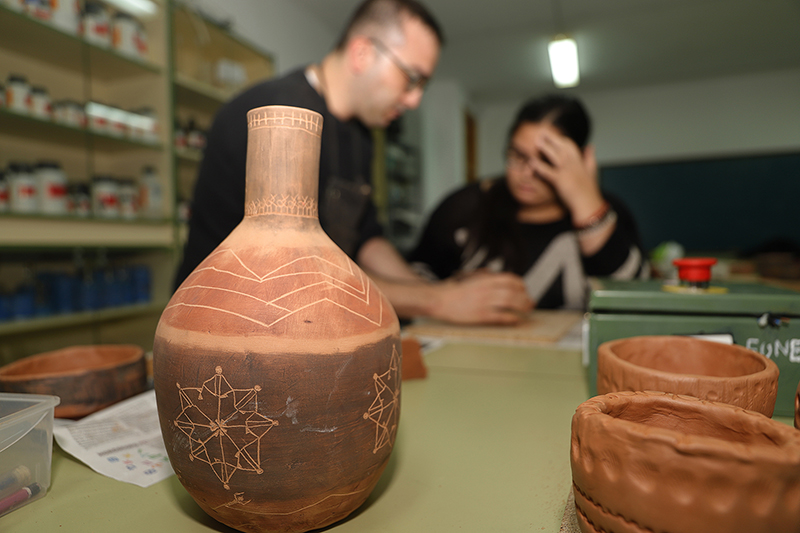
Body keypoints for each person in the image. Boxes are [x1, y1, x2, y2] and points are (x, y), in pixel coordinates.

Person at [174, 0, 533, 324]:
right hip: (223, 324)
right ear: (362, 53)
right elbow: (296, 270)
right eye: (411, 79)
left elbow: (366, 237)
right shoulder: (283, 115)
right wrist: (437, 301)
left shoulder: (360, 135)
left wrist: (440, 290)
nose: (414, 100)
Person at [407, 94, 649, 309]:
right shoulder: (465, 206)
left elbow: (633, 299)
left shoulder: (609, 211)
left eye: (546, 160)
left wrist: (585, 201)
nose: (526, 173)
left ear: (580, 158)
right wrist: (451, 290)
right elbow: (417, 275)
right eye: (518, 156)